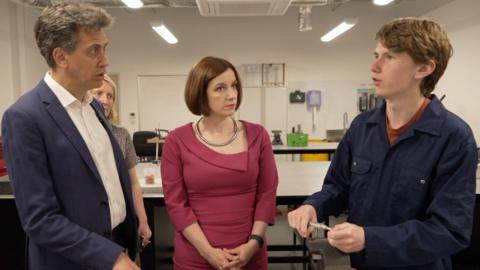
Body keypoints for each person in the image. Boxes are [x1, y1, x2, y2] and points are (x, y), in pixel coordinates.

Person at [288, 17, 478, 270]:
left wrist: (370, 238)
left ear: (423, 69)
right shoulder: (362, 126)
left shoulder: (453, 137)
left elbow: (449, 230)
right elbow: (338, 187)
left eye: (389, 57)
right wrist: (313, 206)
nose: (374, 66)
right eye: (376, 54)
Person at [1, 3, 140, 270]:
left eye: (105, 48)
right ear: (61, 57)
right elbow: (39, 219)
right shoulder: (24, 117)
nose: (105, 60)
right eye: (93, 51)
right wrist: (111, 257)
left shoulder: (94, 106)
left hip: (119, 248)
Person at [161, 56, 278, 269]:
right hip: (197, 258)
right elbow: (177, 204)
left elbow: (267, 194)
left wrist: (253, 244)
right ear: (200, 92)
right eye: (220, 88)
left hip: (250, 255)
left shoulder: (257, 135)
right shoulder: (176, 141)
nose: (232, 95)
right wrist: (209, 253)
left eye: (234, 86)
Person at [91, 74, 152, 249]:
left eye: (110, 96)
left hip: (121, 222)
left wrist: (143, 221)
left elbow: (133, 183)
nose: (105, 100)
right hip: (92, 224)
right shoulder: (78, 134)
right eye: (99, 93)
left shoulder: (122, 135)